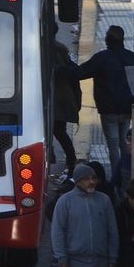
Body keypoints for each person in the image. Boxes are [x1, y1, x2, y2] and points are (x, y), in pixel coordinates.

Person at [72, 24, 134, 188]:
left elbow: (81, 73)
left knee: (113, 144)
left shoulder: (102, 58)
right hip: (127, 108)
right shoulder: (132, 57)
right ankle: (127, 174)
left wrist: (66, 66)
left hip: (108, 110)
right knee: (125, 143)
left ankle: (116, 178)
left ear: (108, 39)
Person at [49, 35, 81, 179]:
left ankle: (66, 158)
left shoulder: (51, 50)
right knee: (59, 131)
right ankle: (68, 158)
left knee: (57, 131)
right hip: (61, 100)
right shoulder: (61, 49)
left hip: (56, 100)